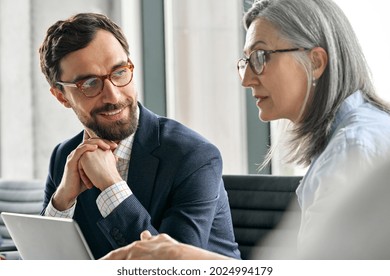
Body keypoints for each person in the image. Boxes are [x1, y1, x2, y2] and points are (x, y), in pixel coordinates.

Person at [102, 0, 390, 260]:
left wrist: (186, 257)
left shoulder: (353, 148)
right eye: (246, 61)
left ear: (315, 62)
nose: (247, 80)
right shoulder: (355, 136)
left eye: (261, 57)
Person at [39, 12, 240, 259]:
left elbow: (172, 270)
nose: (113, 96)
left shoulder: (193, 156)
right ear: (61, 96)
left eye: (120, 72)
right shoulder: (64, 157)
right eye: (90, 83)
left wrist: (112, 186)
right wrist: (62, 202)